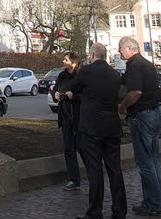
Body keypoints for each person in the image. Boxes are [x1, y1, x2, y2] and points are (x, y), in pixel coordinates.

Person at [67, 42, 127, 219]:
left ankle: (95, 211)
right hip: (112, 127)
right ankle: (119, 210)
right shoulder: (114, 74)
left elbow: (74, 87)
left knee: (94, 170)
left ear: (92, 55)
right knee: (115, 170)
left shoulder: (86, 71)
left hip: (92, 127)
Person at [118, 36, 161, 217]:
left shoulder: (135, 65)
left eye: (120, 49)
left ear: (128, 49)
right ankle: (158, 201)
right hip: (154, 114)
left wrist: (123, 105)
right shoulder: (146, 63)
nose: (119, 52)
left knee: (145, 162)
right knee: (153, 161)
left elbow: (136, 92)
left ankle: (153, 203)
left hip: (143, 116)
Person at [53, 50, 84, 190]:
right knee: (68, 149)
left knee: (82, 147)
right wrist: (56, 94)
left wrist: (74, 96)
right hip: (65, 115)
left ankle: (91, 171)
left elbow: (86, 95)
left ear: (74, 62)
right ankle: (74, 178)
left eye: (66, 60)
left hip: (78, 115)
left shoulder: (80, 76)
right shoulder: (61, 75)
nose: (63, 62)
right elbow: (55, 89)